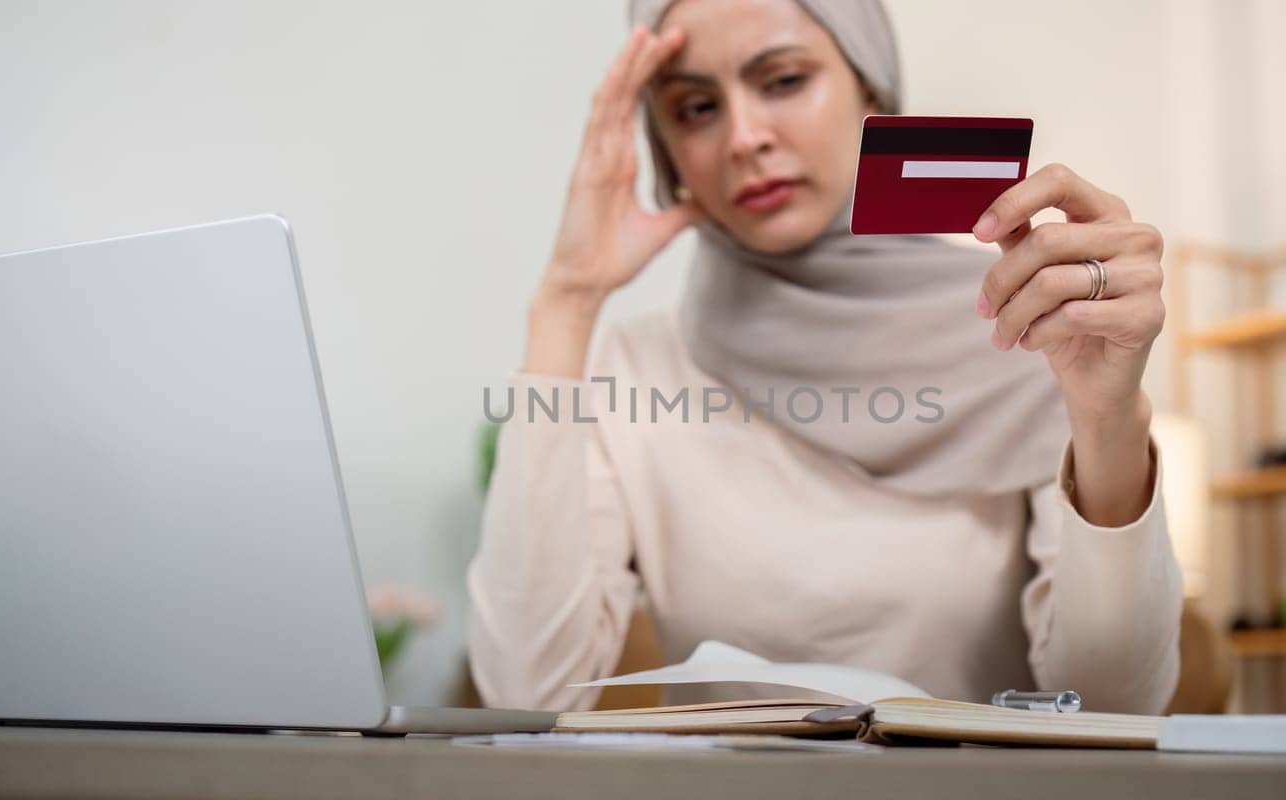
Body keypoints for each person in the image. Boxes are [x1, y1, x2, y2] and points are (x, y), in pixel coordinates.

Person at [467, 0, 1181, 714]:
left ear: (869, 86)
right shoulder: (635, 367)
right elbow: (527, 695)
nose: (744, 137)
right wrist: (566, 300)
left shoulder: (1028, 321)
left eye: (781, 80)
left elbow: (1115, 708)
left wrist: (1107, 419)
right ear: (665, 147)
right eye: (694, 107)